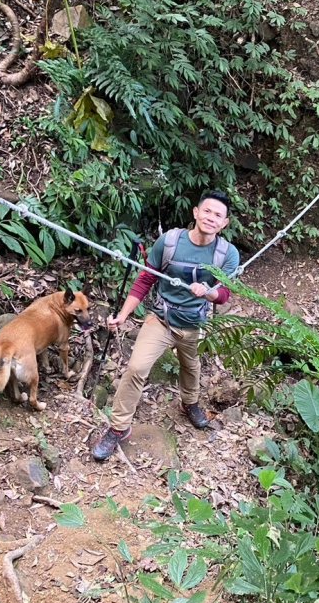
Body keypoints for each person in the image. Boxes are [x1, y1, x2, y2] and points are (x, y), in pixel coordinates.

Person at [91, 189, 241, 462]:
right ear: (195, 212)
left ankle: (190, 403)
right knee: (136, 367)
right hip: (161, 319)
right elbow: (146, 279)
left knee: (191, 367)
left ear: (224, 223)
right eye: (206, 211)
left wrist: (207, 292)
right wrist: (123, 315)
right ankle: (118, 428)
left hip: (196, 322)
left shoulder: (227, 255)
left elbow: (224, 294)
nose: (211, 218)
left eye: (218, 215)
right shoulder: (170, 242)